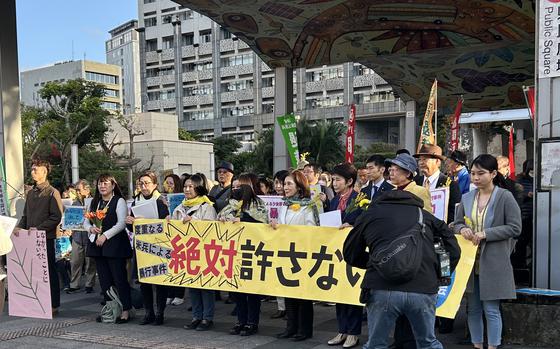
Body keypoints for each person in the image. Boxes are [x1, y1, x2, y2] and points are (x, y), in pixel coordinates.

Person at [343, 188, 460, 349]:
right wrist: (441, 273)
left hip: (381, 287)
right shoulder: (426, 217)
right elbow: (451, 249)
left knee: (376, 344)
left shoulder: (369, 215)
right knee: (428, 343)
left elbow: (350, 253)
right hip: (423, 287)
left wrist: (374, 263)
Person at [453, 154, 522, 349]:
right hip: (469, 261)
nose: (475, 178)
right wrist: (462, 229)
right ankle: (477, 344)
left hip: (494, 260)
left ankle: (493, 346)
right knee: (473, 308)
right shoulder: (466, 197)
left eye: (480, 173)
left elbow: (515, 228)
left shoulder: (504, 196)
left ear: (493, 174)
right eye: (473, 173)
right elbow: (456, 223)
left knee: (491, 309)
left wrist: (486, 233)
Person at [272, 170, 319, 342]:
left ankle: (304, 329)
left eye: (289, 184)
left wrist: (289, 232)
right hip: (286, 254)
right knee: (288, 292)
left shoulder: (309, 205)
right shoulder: (284, 205)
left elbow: (312, 230)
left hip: (302, 254)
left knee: (302, 295)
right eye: (284, 184)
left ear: (300, 186)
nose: (285, 187)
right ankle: (290, 327)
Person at [15, 159, 63, 315]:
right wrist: (19, 227)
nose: (33, 172)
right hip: (29, 238)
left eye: (36, 169)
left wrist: (39, 229)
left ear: (45, 172)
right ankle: (36, 303)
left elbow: (56, 217)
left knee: (48, 271)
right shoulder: (31, 192)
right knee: (33, 272)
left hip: (46, 238)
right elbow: (25, 215)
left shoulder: (52, 192)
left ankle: (54, 304)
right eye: (32, 169)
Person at [219, 184, 268, 336]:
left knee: (252, 291)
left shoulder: (257, 203)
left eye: (239, 186)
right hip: (234, 251)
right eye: (234, 187)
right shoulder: (231, 204)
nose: (235, 189)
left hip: (252, 251)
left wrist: (242, 219)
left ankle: (252, 323)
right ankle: (240, 321)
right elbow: (220, 217)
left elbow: (262, 222)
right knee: (238, 290)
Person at [171, 173, 218, 331]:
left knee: (205, 286)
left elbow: (212, 229)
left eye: (191, 186)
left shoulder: (207, 206)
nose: (187, 189)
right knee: (192, 285)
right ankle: (196, 316)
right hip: (186, 252)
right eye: (185, 186)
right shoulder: (180, 206)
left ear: (199, 187)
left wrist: (194, 222)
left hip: (204, 252)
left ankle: (207, 318)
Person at [84, 173, 132, 323]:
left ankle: (125, 310)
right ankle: (111, 309)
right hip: (98, 246)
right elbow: (85, 221)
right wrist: (91, 229)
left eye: (105, 183)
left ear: (113, 185)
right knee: (104, 280)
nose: (102, 186)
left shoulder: (119, 201)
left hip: (115, 245)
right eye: (100, 183)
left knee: (119, 279)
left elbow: (122, 223)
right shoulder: (94, 202)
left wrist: (105, 235)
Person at [126, 171, 170, 325]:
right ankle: (148, 312)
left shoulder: (161, 200)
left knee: (159, 281)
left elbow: (166, 224)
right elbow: (131, 228)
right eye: (141, 183)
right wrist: (129, 221)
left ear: (154, 185)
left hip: (158, 246)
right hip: (141, 246)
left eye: (147, 183)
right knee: (144, 281)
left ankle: (160, 313)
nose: (143, 186)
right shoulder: (135, 202)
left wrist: (146, 221)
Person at [327, 163, 363, 348]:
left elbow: (364, 222)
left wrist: (352, 226)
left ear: (349, 181)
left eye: (338, 179)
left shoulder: (359, 199)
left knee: (351, 292)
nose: (334, 183)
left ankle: (353, 332)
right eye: (333, 179)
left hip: (353, 252)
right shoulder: (334, 200)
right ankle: (342, 329)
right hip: (336, 252)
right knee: (338, 292)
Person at [414, 144, 462, 223]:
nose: (421, 163)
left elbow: (454, 214)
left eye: (425, 159)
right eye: (419, 160)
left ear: (437, 162)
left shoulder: (450, 185)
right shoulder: (415, 182)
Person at [67, 179, 97, 294]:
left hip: (90, 236)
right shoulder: (75, 203)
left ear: (87, 189)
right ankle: (74, 284)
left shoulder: (94, 202)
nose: (78, 193)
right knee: (75, 261)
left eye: (79, 190)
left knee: (90, 262)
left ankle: (89, 284)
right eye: (76, 190)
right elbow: (70, 220)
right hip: (77, 237)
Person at [163, 173, 187, 306]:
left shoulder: (182, 198)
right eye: (166, 183)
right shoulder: (162, 198)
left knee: (179, 264)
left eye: (171, 183)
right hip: (167, 236)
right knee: (169, 265)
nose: (168, 186)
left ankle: (179, 294)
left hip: (180, 236)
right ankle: (169, 293)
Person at [270, 169, 289, 319]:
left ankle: (289, 308)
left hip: (289, 244)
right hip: (275, 241)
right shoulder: (270, 200)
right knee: (277, 275)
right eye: (275, 182)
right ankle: (280, 306)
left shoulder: (294, 202)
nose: (278, 186)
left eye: (281, 183)